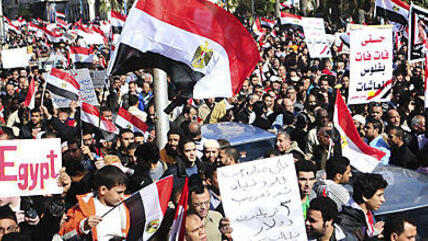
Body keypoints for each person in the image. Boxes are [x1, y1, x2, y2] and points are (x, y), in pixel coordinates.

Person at [59, 166, 130, 241]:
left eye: (123, 192)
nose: (122, 196)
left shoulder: (126, 204)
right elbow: (65, 233)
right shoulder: (84, 207)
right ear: (103, 190)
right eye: (119, 192)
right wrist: (83, 225)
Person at [338, 173, 388, 240]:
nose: (383, 200)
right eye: (379, 195)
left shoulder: (367, 211)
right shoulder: (349, 222)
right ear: (365, 197)